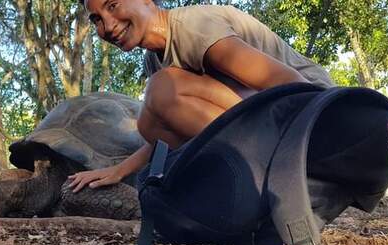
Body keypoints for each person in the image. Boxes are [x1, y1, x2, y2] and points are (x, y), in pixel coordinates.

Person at [69, 0, 335, 192]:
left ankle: (261, 176)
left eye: (113, 5)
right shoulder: (155, 60)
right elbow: (165, 133)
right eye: (96, 19)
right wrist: (117, 170)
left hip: (317, 115)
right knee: (148, 123)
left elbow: (293, 85)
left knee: (161, 91)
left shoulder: (193, 27)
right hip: (271, 125)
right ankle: (240, 178)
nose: (107, 26)